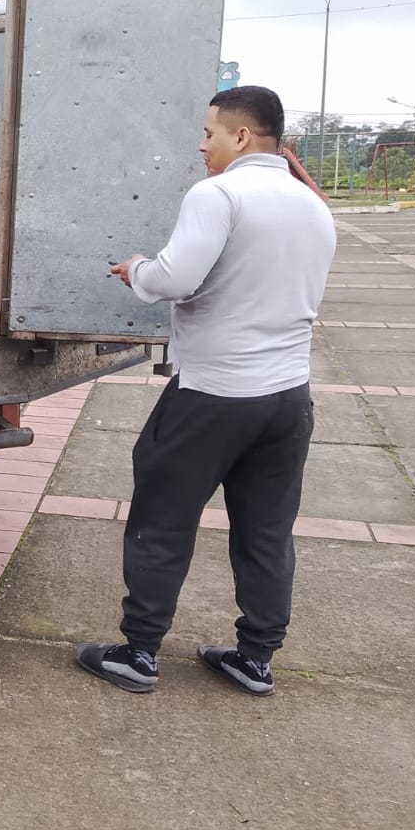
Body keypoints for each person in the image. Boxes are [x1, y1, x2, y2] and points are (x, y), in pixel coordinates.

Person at [76, 85, 336, 697]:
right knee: (266, 529)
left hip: (215, 393)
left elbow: (177, 277)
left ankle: (139, 653)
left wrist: (137, 269)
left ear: (241, 136)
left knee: (163, 517)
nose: (202, 145)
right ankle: (256, 658)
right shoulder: (312, 204)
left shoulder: (218, 194)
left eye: (209, 132)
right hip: (288, 397)